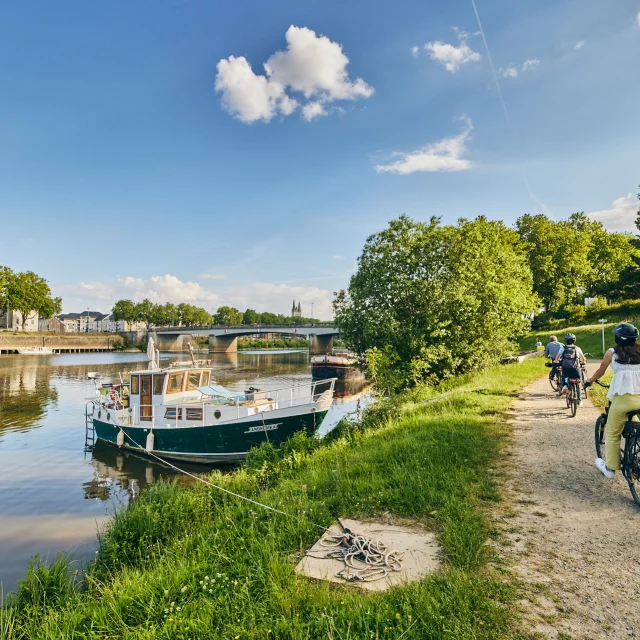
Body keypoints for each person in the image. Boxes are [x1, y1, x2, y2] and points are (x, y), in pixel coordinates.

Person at [587, 323, 640, 478]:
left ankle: (610, 468)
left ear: (617, 337)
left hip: (623, 400)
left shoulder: (612, 352)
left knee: (613, 433)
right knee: (634, 420)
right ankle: (633, 441)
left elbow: (601, 371)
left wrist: (590, 380)